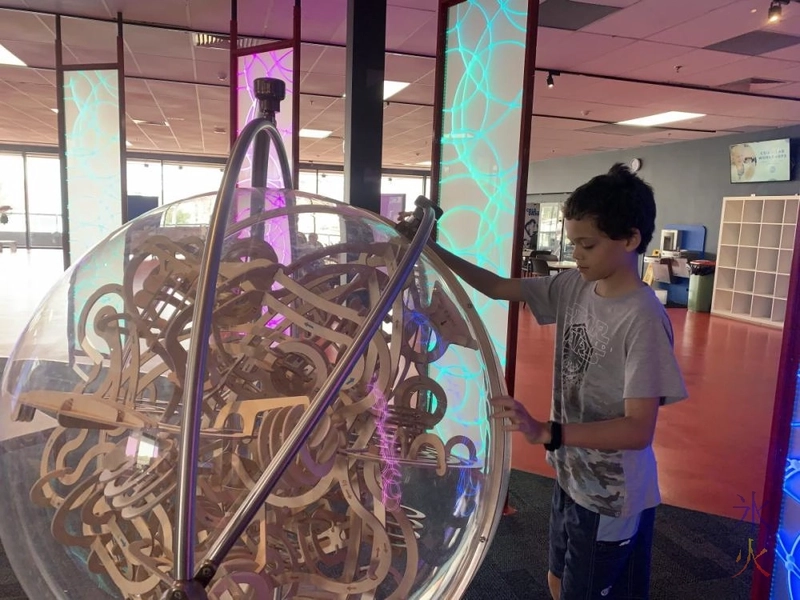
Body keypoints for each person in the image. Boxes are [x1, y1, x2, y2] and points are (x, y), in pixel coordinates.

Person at [417, 164, 688, 599]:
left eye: (588, 245)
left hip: (611, 494)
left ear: (631, 239)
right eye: (573, 242)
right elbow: (498, 287)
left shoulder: (643, 319)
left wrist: (548, 431)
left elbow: (638, 430)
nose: (576, 254)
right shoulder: (573, 287)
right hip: (571, 477)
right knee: (558, 580)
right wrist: (429, 249)